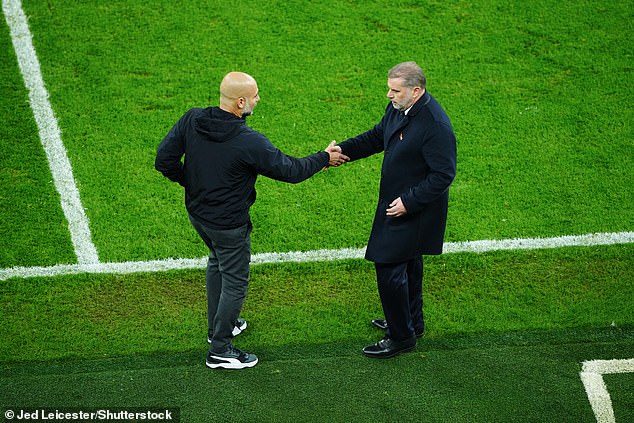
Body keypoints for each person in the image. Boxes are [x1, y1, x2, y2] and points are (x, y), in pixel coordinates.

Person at [155, 71, 349, 369]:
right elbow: (291, 171)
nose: (259, 99)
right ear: (241, 102)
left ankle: (218, 329)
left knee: (216, 262)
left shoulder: (191, 119)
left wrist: (190, 183)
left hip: (198, 215)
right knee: (235, 280)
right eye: (256, 95)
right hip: (229, 224)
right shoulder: (249, 141)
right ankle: (220, 349)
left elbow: (164, 160)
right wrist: (324, 157)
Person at [334, 62, 456, 358]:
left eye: (395, 90)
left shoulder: (434, 125)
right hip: (398, 201)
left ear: (416, 91)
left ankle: (401, 336)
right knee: (409, 265)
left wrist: (409, 202)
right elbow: (379, 136)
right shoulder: (400, 108)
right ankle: (411, 322)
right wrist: (343, 152)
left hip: (412, 207)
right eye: (389, 88)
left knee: (388, 265)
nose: (389, 95)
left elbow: (444, 174)